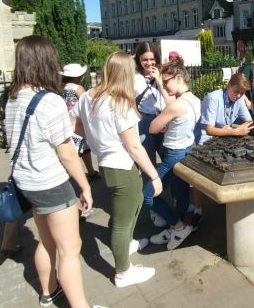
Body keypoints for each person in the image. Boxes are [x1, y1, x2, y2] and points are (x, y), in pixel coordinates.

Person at [4, 36, 102, 307]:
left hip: (27, 182)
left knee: (46, 241)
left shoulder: (13, 98)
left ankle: (49, 292)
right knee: (70, 249)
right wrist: (85, 186)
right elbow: (67, 152)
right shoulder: (49, 100)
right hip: (51, 184)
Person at [75, 51, 162, 288]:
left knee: (129, 209)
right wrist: (154, 176)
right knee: (123, 220)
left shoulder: (88, 96)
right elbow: (134, 146)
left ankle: (123, 246)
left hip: (106, 164)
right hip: (122, 166)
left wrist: (96, 138)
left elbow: (77, 124)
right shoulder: (120, 102)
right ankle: (123, 272)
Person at [148, 56, 201, 250]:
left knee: (147, 194)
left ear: (178, 78)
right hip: (187, 149)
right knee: (181, 192)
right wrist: (168, 122)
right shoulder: (194, 100)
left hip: (173, 154)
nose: (163, 85)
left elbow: (153, 128)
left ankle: (178, 226)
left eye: (165, 82)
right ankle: (176, 227)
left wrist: (164, 122)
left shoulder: (176, 105)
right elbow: (178, 120)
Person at [191, 73, 254, 225]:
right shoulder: (213, 98)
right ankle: (197, 208)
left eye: (242, 93)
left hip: (224, 135)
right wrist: (233, 131)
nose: (238, 96)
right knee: (201, 174)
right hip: (203, 139)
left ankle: (224, 198)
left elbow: (249, 121)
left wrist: (233, 130)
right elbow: (209, 129)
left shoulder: (239, 99)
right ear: (228, 86)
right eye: (236, 92)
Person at [133, 42, 174, 228]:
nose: (149, 63)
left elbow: (171, 102)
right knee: (147, 164)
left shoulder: (163, 74)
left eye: (152, 59)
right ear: (138, 60)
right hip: (144, 121)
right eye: (145, 60)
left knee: (169, 160)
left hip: (163, 118)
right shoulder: (134, 78)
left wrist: (159, 80)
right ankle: (153, 206)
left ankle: (172, 196)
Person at [60, 63, 99, 182]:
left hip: (66, 121)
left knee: (82, 148)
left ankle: (91, 172)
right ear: (77, 77)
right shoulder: (78, 88)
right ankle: (75, 176)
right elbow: (86, 102)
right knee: (77, 150)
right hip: (78, 122)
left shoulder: (61, 87)